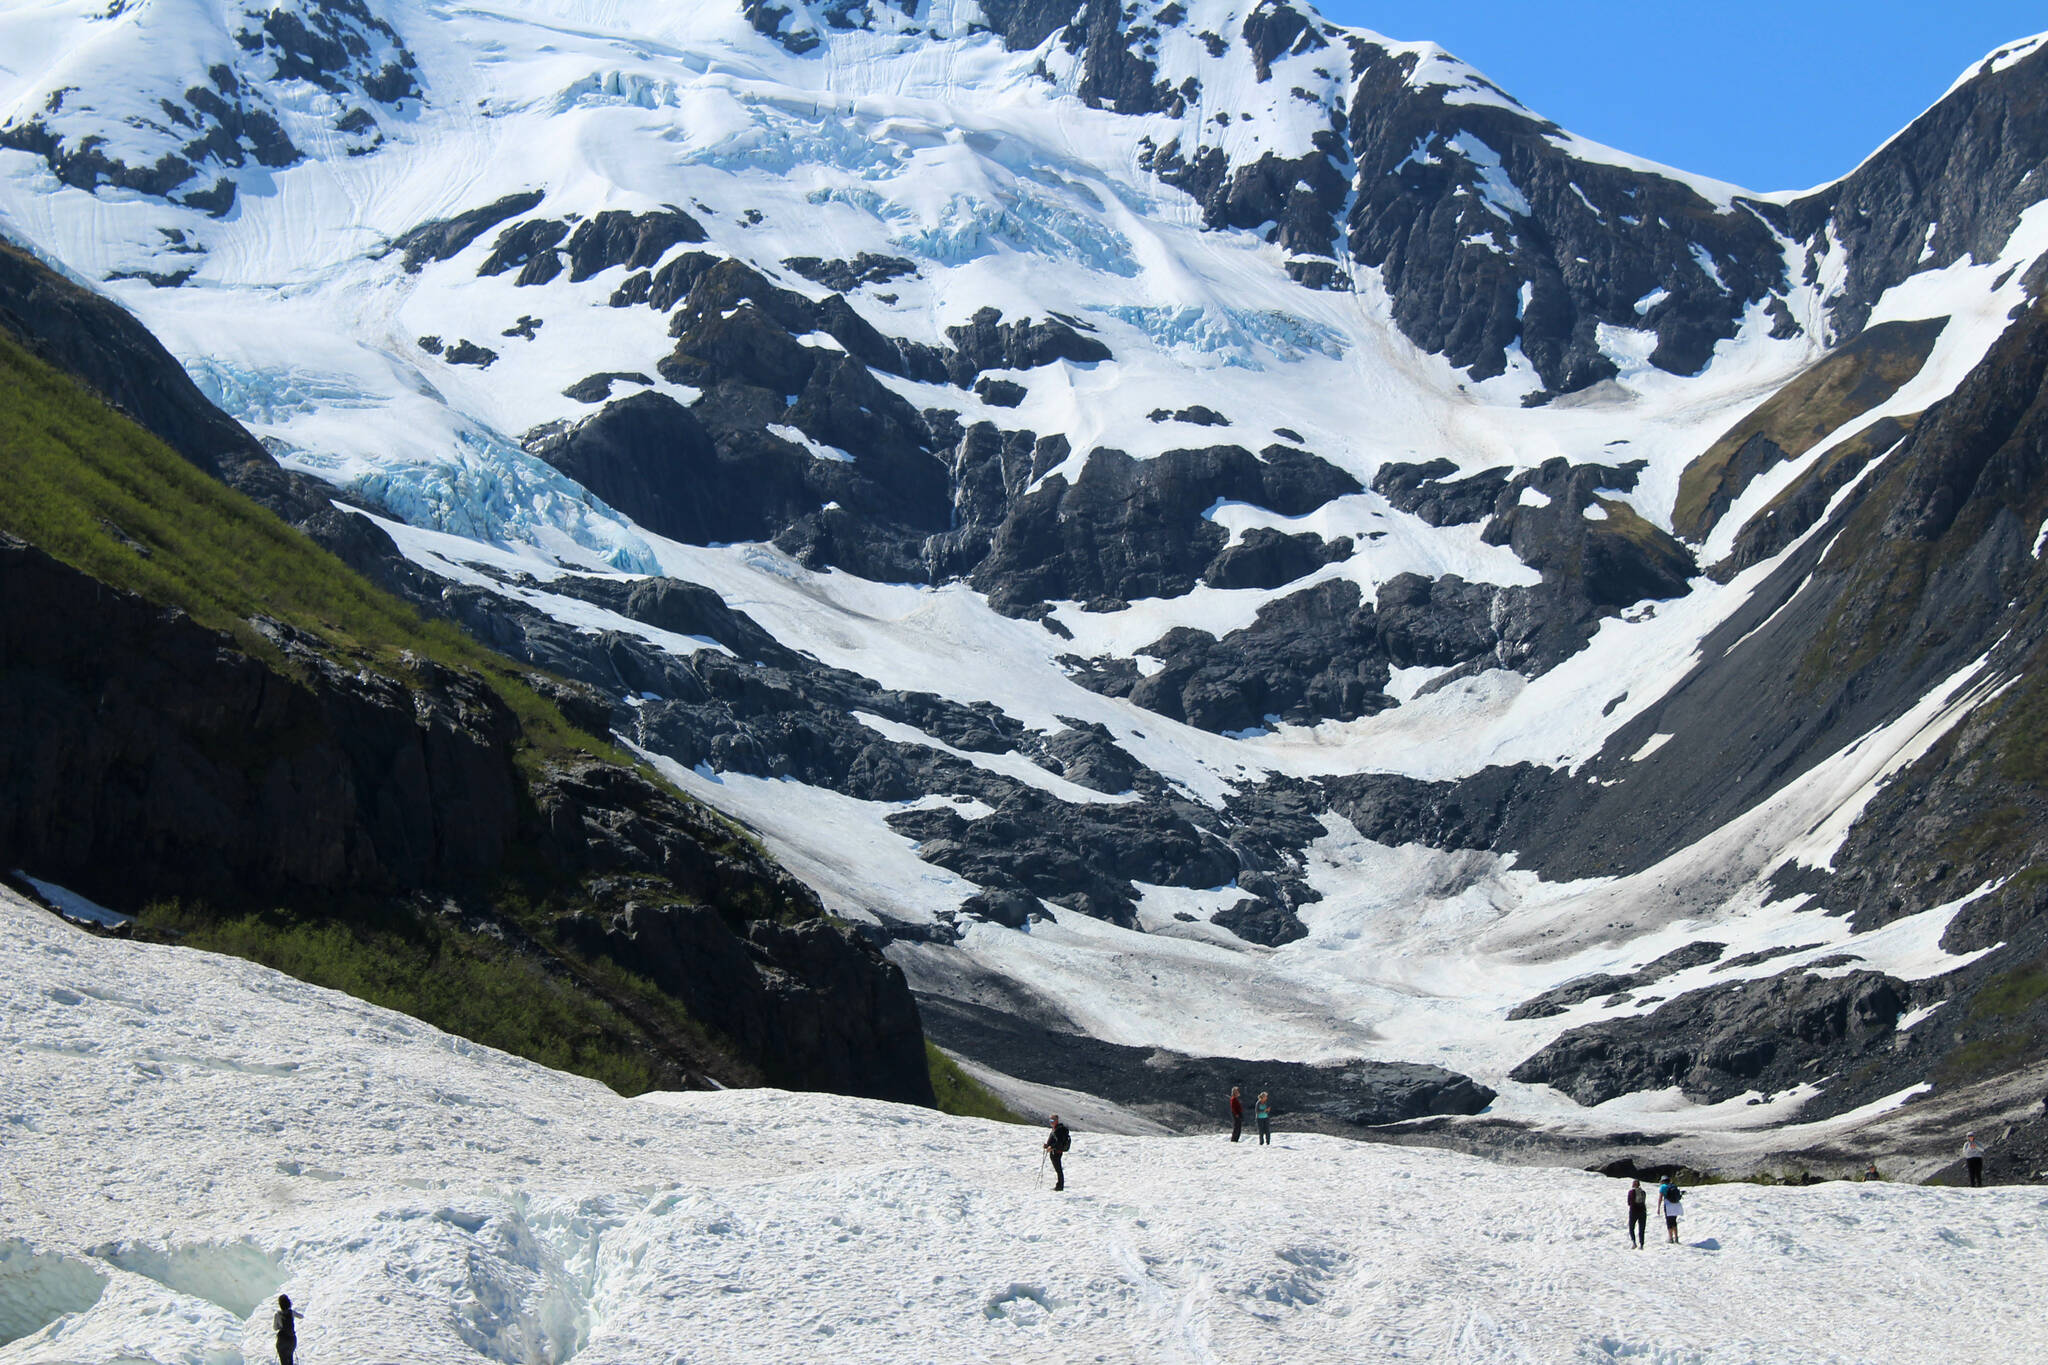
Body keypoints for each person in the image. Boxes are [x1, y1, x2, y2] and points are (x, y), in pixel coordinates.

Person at [1044, 1114, 1071, 1191]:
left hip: (1056, 1152)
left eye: (1052, 1120)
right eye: (1050, 1120)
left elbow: (1059, 1142)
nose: (1051, 1122)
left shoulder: (1058, 1130)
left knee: (1058, 1169)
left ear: (1057, 1120)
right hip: (1055, 1151)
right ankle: (1059, 1185)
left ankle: (1059, 1186)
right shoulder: (1056, 1129)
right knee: (1058, 1169)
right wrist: (1048, 1145)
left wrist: (1051, 1147)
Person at [273, 1294, 302, 1365]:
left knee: (283, 1361)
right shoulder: (291, 1312)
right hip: (291, 1339)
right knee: (290, 1358)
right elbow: (301, 1316)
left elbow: (275, 1328)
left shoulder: (278, 1314)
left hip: (282, 1340)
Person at [1658, 1177, 1684, 1244]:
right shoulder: (1673, 1186)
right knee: (1674, 1221)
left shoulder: (1663, 1187)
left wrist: (1658, 1207)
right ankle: (1676, 1238)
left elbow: (1660, 1197)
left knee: (1669, 1221)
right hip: (1676, 1205)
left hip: (1668, 1205)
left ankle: (1670, 1238)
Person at [1626, 1179, 1648, 1249]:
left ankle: (1634, 1243)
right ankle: (1641, 1244)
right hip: (1642, 1211)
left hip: (1634, 1211)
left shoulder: (1631, 1192)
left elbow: (1629, 1203)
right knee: (1641, 1228)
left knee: (1631, 1227)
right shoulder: (1643, 1192)